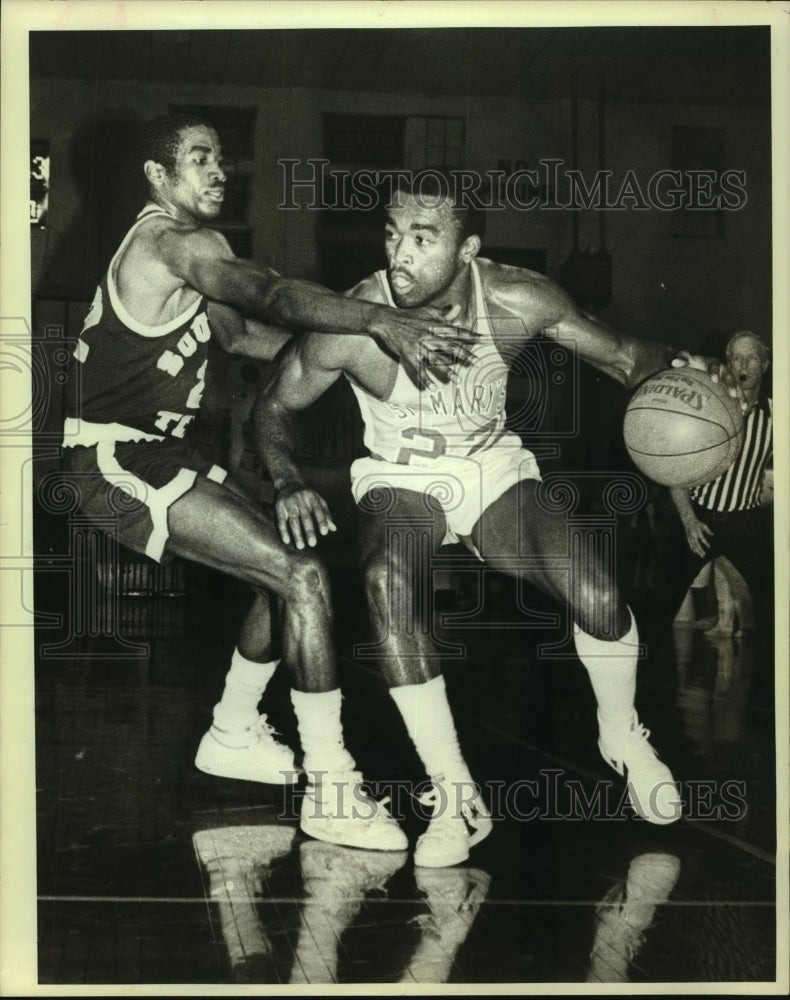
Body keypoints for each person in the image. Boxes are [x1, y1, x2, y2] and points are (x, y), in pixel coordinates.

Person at [258, 176, 740, 866]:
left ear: (468, 249)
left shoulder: (516, 298)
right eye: (393, 234)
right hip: (402, 479)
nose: (401, 254)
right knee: (388, 582)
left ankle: (621, 734)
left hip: (491, 471)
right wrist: (285, 481)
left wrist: (688, 366)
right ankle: (456, 795)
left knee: (600, 597)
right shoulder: (354, 321)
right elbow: (273, 407)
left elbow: (627, 357)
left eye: (424, 239)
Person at [60, 115, 477, 853]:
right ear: (158, 176)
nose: (221, 171)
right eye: (200, 159)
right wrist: (378, 320)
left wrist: (344, 351)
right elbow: (275, 296)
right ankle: (331, 786)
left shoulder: (192, 253)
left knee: (277, 568)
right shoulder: (172, 243)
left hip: (163, 452)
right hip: (113, 457)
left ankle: (232, 730)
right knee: (302, 576)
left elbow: (241, 337)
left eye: (222, 158)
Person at [663, 331, 773, 636]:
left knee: (771, 607)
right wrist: (687, 520)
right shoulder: (707, 406)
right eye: (736, 357)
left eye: (752, 357)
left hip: (744, 522)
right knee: (662, 604)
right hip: (698, 517)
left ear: (765, 364)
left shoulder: (776, 415)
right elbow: (674, 466)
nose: (743, 364)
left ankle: (771, 681)